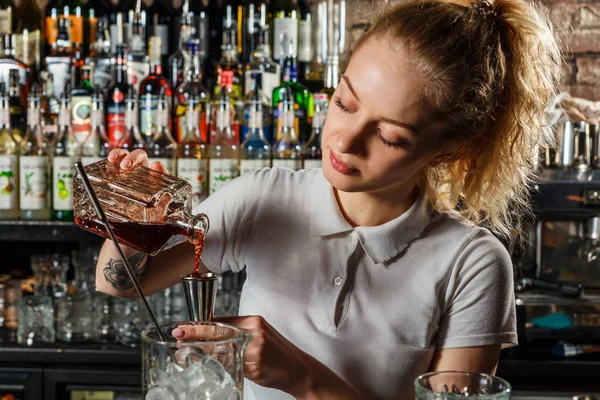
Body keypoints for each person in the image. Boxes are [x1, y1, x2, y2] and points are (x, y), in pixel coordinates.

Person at [96, 0, 561, 398]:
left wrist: (301, 377)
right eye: (345, 102)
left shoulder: (472, 263)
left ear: (449, 150)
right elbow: (116, 280)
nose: (345, 142)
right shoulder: (265, 198)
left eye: (390, 136)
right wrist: (136, 210)